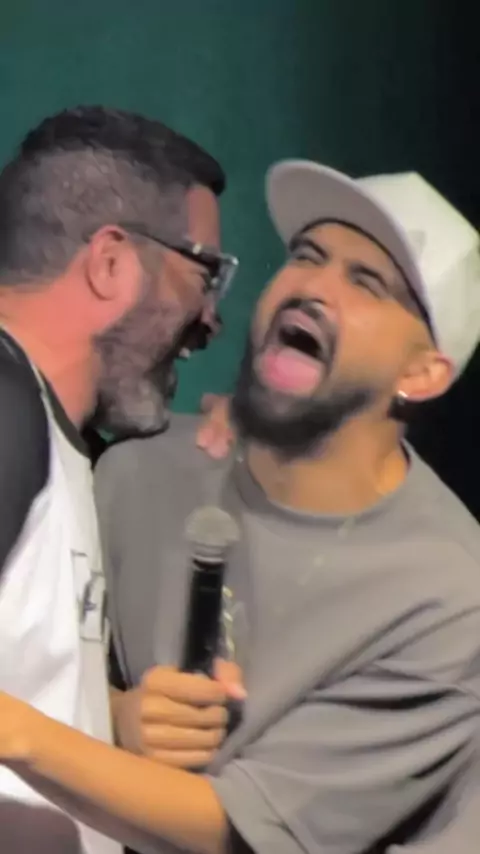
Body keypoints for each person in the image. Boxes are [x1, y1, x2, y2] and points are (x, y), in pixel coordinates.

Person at [0, 159, 479, 854]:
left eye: (365, 283)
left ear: (423, 372)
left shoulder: (451, 598)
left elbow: (241, 829)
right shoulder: (136, 472)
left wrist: (18, 730)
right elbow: (47, 655)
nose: (311, 287)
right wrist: (118, 715)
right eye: (306, 256)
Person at [0, 104, 235, 853]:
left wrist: (113, 717)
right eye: (204, 274)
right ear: (110, 263)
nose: (210, 320)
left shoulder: (45, 429)